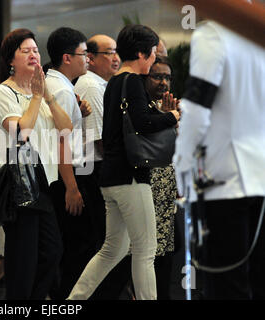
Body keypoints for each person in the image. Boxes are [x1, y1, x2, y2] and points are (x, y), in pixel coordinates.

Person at [68, 24, 180, 300]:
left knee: (112, 249)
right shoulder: (133, 82)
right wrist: (172, 117)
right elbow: (142, 122)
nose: (155, 59)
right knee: (145, 251)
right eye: (153, 53)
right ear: (142, 53)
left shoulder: (115, 83)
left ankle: (73, 301)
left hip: (111, 176)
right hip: (131, 177)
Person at [173, 20, 265, 300]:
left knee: (226, 286)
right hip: (258, 179)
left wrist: (182, 164)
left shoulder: (212, 34)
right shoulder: (256, 32)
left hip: (223, 181)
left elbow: (198, 107)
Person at [0, 28, 72, 299]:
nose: (34, 55)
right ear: (11, 60)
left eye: (36, 50)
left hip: (43, 184)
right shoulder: (3, 93)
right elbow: (21, 132)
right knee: (23, 261)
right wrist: (36, 97)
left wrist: (46, 96)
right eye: (26, 51)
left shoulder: (41, 92)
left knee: (52, 252)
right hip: (19, 185)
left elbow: (66, 129)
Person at [45, 27, 108, 300]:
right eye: (84, 55)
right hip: (69, 176)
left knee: (74, 246)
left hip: (68, 175)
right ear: (67, 57)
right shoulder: (61, 89)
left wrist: (77, 115)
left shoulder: (61, 86)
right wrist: (72, 187)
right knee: (77, 248)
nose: (88, 60)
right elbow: (61, 143)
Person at [144, 55, 179, 299]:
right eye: (157, 76)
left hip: (168, 191)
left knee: (166, 254)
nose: (163, 82)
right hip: (146, 187)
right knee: (147, 254)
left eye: (167, 77)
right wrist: (167, 120)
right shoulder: (141, 107)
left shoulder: (172, 108)